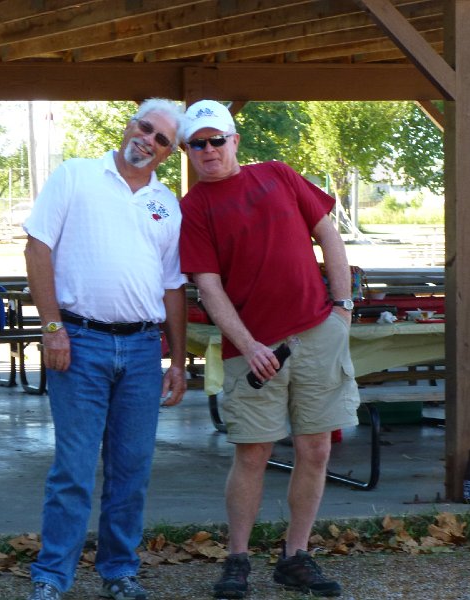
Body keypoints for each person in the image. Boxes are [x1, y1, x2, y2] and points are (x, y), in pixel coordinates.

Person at [178, 100, 359, 599]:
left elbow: (329, 234)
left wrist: (341, 307)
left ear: (235, 141)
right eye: (198, 143)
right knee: (253, 451)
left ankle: (295, 556)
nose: (209, 150)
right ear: (187, 150)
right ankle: (237, 558)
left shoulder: (278, 174)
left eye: (217, 140)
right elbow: (208, 287)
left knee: (316, 447)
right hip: (253, 348)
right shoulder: (192, 208)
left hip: (318, 331)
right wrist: (248, 343)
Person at [23, 98, 188, 600]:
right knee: (73, 468)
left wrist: (177, 359)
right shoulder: (76, 175)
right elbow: (37, 248)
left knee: (131, 469)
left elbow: (173, 286)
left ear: (168, 153)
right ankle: (52, 575)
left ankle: (119, 571)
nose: (149, 141)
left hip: (141, 350)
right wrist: (52, 327)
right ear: (129, 124)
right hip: (80, 341)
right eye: (146, 127)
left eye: (162, 139)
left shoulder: (167, 204)